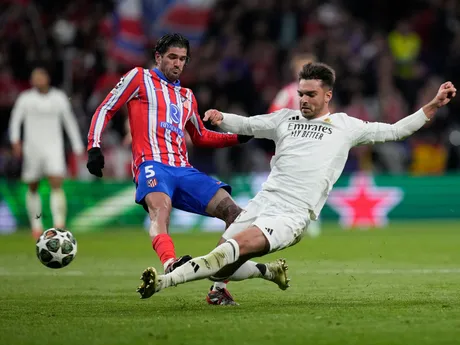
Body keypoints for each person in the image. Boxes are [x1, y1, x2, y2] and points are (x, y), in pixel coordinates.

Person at [136, 62, 456, 302]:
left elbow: (396, 130)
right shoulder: (285, 119)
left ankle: (166, 281)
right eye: (301, 93)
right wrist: (222, 118)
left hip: (292, 213)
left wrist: (434, 104)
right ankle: (268, 272)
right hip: (264, 201)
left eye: (311, 94)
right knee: (222, 267)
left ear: (327, 95)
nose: (303, 99)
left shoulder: (346, 126)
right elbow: (250, 124)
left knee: (238, 247)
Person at [86, 33, 251, 275]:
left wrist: (236, 137)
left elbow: (201, 136)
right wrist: (94, 146)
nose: (177, 63)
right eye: (172, 57)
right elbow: (106, 108)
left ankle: (217, 279)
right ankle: (170, 263)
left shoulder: (187, 96)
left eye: (182, 59)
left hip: (184, 170)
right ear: (158, 57)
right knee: (160, 210)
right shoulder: (139, 77)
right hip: (152, 165)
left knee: (235, 214)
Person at [9, 67, 84, 239]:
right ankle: (36, 225)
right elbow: (15, 119)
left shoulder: (58, 97)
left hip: (53, 146)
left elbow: (69, 121)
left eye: (41, 77)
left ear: (47, 78)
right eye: (35, 77)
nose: (38, 80)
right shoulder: (25, 98)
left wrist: (77, 146)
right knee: (33, 185)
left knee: (56, 182)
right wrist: (15, 140)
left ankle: (59, 225)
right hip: (32, 147)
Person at [269, 51, 322, 238]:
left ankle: (312, 220)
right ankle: (281, 222)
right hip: (291, 146)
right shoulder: (288, 93)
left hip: (314, 145)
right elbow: (273, 114)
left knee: (313, 182)